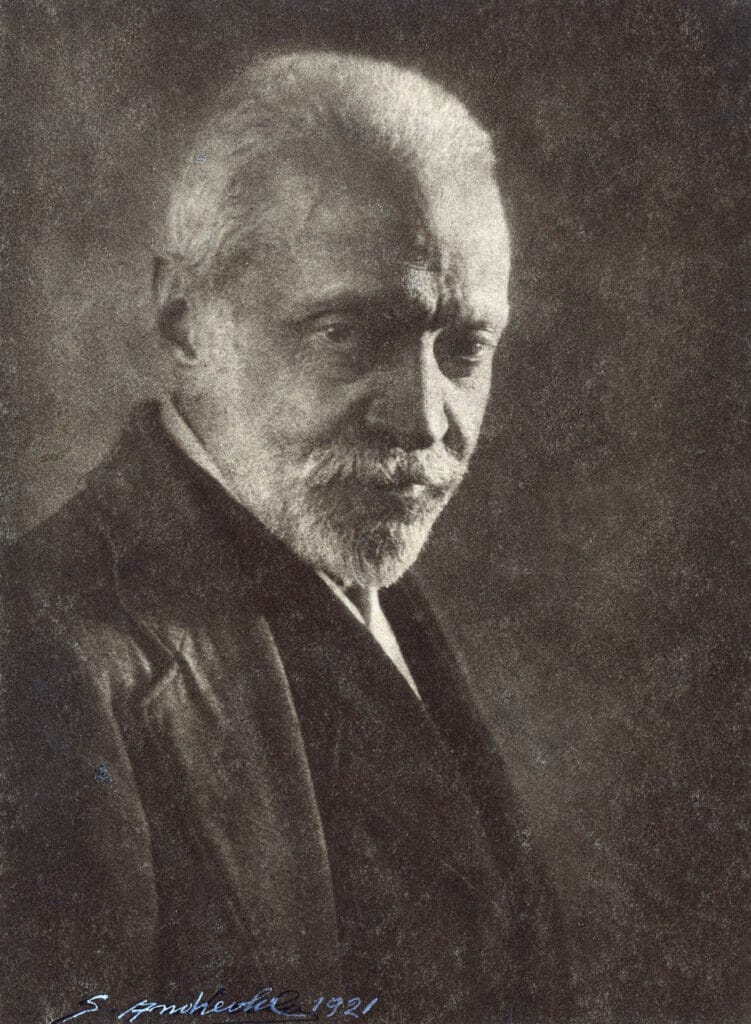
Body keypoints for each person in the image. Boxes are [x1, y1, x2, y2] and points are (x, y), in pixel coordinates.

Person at [2, 52, 569, 1024]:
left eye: (464, 348)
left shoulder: (366, 580)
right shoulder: (35, 652)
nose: (425, 418)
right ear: (184, 321)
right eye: (348, 333)